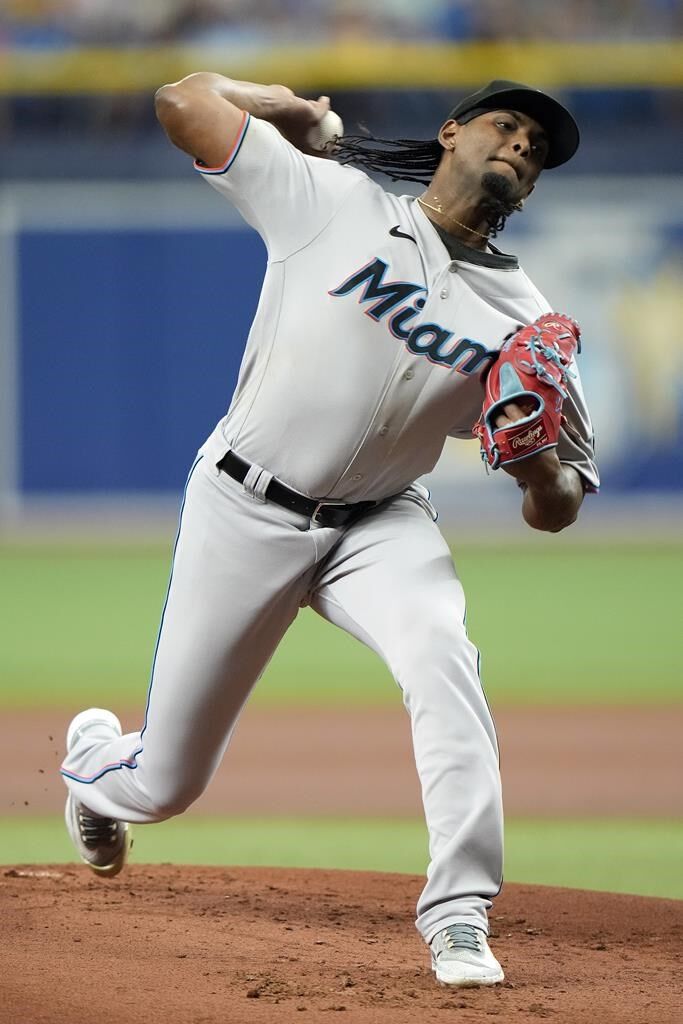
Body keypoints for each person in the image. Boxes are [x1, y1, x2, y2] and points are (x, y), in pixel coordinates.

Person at [60, 77, 599, 987]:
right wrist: (288, 110)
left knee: (442, 656)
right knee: (166, 786)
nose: (520, 146)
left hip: (381, 524)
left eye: (537, 148)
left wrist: (535, 464)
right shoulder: (334, 201)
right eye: (506, 126)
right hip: (245, 505)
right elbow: (177, 101)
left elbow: (560, 506)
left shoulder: (527, 325)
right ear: (451, 133)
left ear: (535, 186)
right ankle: (93, 766)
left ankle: (459, 912)